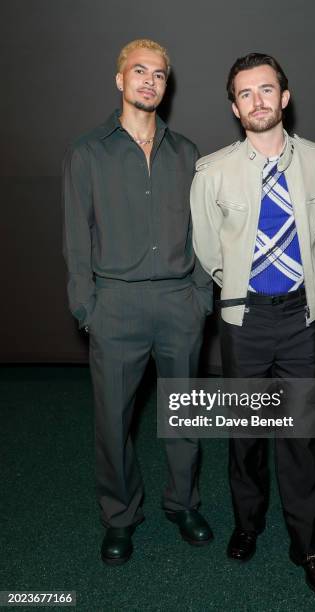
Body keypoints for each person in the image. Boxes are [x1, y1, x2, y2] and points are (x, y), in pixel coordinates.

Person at [190, 52, 315, 597]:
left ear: (285, 96)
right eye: (245, 93)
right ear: (235, 107)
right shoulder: (211, 173)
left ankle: (308, 543)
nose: (257, 101)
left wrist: (302, 287)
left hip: (304, 318)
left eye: (266, 89)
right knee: (247, 434)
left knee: (305, 436)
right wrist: (244, 292)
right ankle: (247, 523)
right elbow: (209, 250)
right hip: (245, 319)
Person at [62, 38, 213, 566]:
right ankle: (120, 515)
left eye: (159, 75)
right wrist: (88, 307)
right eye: (139, 71)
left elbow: (203, 234)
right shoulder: (88, 152)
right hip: (115, 307)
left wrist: (200, 298)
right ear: (120, 80)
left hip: (179, 304)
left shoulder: (188, 153)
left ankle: (183, 503)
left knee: (184, 414)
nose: (149, 81)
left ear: (165, 87)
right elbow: (76, 239)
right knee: (112, 422)